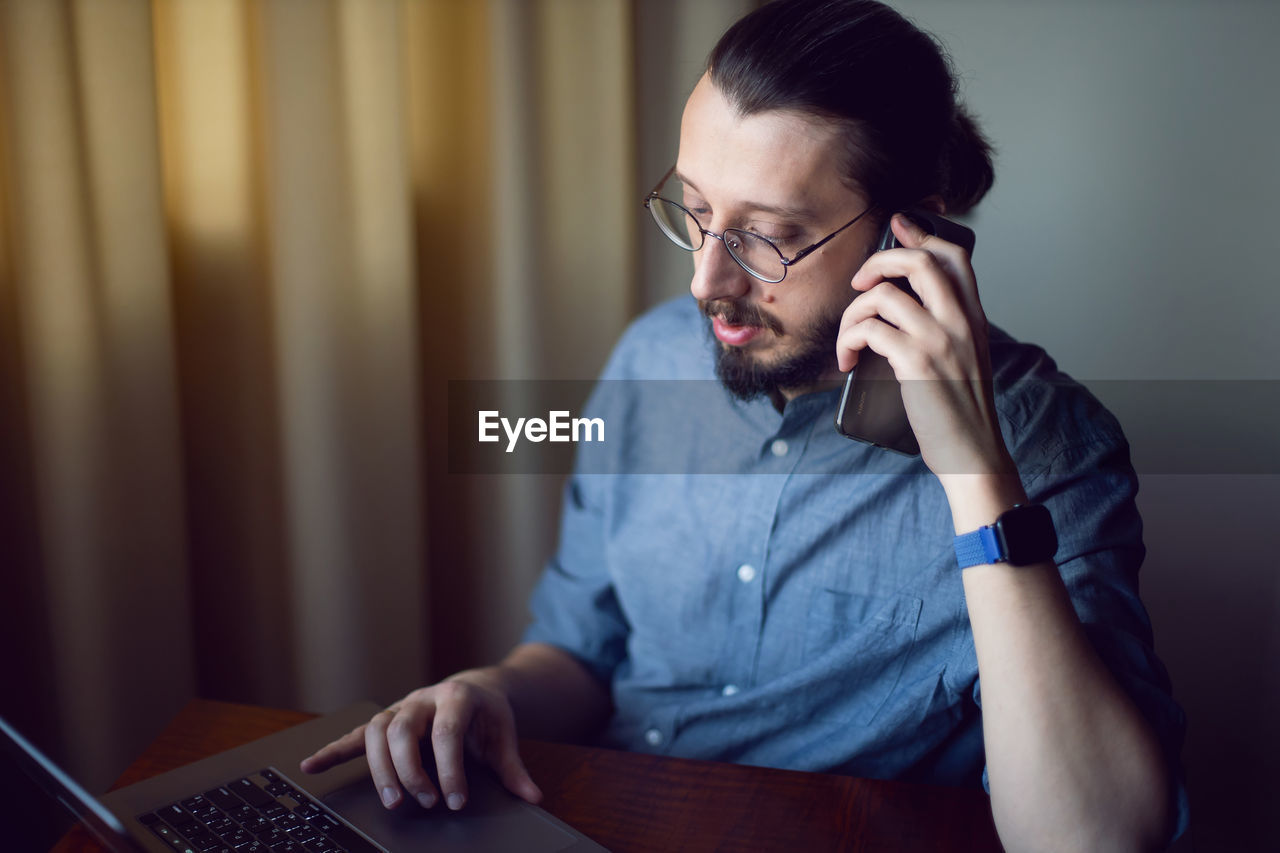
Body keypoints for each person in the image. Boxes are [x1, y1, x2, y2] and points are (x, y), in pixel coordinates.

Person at [302, 1, 1187, 848]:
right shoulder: (651, 361)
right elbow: (581, 650)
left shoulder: (1049, 445)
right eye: (695, 210)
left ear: (907, 232)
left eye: (765, 238)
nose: (705, 286)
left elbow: (1097, 837)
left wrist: (974, 479)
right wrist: (488, 694)